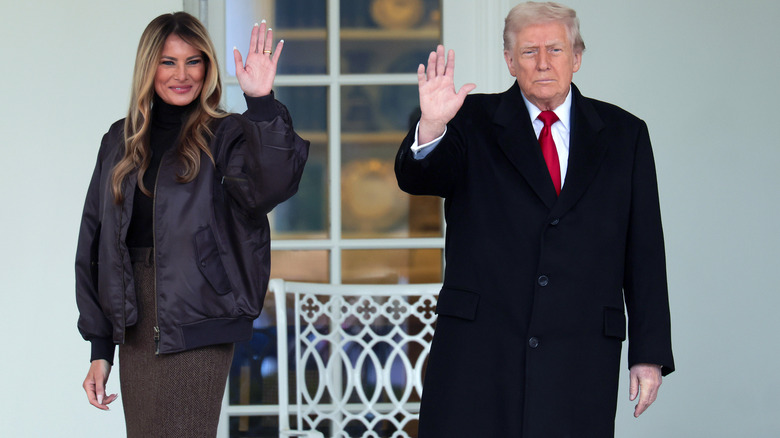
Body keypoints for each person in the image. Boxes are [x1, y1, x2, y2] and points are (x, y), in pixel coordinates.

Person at [395, 2, 674, 437]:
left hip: (580, 353)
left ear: (576, 57)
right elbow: (419, 178)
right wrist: (431, 127)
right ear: (510, 61)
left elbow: (645, 250)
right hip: (480, 352)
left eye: (555, 49)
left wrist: (648, 353)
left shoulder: (625, 134)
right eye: (529, 51)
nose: (543, 62)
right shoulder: (468, 120)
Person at [75, 12, 309, 437]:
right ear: (149, 68)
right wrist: (100, 346)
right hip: (135, 322)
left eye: (193, 61)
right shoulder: (119, 140)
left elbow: (272, 186)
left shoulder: (226, 134)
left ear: (207, 67)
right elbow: (95, 242)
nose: (182, 75)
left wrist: (261, 101)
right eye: (168, 62)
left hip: (199, 317)